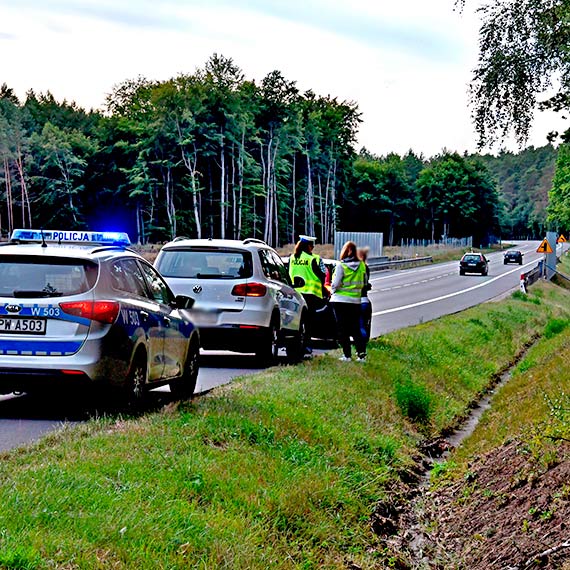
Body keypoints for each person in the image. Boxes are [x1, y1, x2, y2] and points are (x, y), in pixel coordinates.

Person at [330, 240, 368, 362]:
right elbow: (365, 282)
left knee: (342, 329)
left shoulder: (341, 265)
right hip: (355, 301)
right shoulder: (362, 265)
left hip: (340, 301)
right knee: (355, 328)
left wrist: (332, 290)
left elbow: (335, 284)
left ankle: (347, 355)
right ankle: (361, 355)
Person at [288, 235, 326, 354]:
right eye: (312, 246)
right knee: (308, 323)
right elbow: (323, 274)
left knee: (294, 321)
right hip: (310, 295)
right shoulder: (315, 259)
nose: (313, 248)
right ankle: (306, 345)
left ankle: (292, 345)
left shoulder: (292, 258)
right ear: (309, 246)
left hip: (295, 294)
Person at [357, 246, 372, 342]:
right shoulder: (364, 267)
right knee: (361, 324)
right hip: (362, 299)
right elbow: (365, 283)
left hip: (345, 299)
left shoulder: (344, 266)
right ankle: (362, 347)